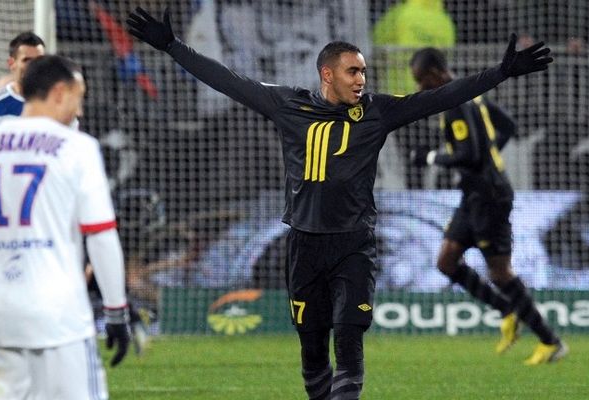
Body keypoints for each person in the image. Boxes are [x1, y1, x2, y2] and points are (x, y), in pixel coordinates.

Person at [126, 6, 552, 398]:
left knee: (349, 342)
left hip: (354, 246)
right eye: (352, 72)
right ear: (326, 75)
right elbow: (227, 80)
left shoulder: (377, 112)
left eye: (363, 71)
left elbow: (441, 97)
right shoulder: (287, 104)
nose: (361, 79)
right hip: (304, 247)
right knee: (313, 352)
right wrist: (171, 45)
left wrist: (500, 72)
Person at [409, 47, 568, 365]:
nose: (420, 88)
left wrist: (427, 157)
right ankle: (506, 310)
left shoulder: (456, 104)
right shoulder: (474, 97)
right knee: (447, 261)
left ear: (437, 73)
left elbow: (468, 155)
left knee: (500, 273)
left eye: (422, 80)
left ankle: (551, 342)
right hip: (473, 195)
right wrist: (490, 159)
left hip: (490, 198)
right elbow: (507, 125)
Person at [0, 55, 130, 399]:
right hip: (58, 317)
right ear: (58, 92)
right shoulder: (77, 147)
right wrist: (115, 310)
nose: (78, 111)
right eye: (77, 98)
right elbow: (100, 235)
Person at [0, 32, 45, 127]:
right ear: (11, 63)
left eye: (39, 60)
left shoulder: (57, 103)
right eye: (27, 60)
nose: (33, 66)